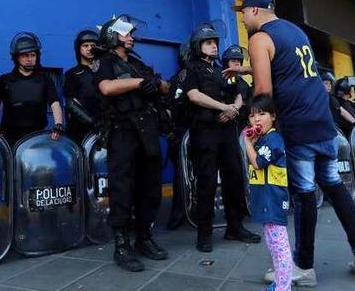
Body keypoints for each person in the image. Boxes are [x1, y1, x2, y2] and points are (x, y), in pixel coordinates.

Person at [226, 0, 355, 286]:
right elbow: (291, 69)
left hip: (297, 125)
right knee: (334, 186)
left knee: (305, 195)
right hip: (323, 123)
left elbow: (264, 92)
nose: (241, 19)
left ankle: (304, 267)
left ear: (254, 10)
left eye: (242, 12)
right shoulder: (295, 31)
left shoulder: (258, 38)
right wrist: (248, 67)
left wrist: (256, 128)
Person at [93, 14, 169, 272]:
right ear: (114, 37)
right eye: (126, 34)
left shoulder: (138, 63)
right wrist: (139, 83)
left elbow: (164, 88)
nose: (131, 37)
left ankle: (144, 238)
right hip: (123, 132)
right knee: (122, 188)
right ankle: (122, 244)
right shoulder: (105, 62)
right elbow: (106, 88)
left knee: (150, 187)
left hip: (146, 131)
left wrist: (156, 85)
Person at [181, 22, 259, 252]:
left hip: (227, 132)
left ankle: (234, 227)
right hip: (204, 133)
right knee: (206, 182)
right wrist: (222, 108)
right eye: (208, 42)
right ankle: (204, 233)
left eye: (215, 42)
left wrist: (233, 109)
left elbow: (237, 95)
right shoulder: (191, 69)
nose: (214, 46)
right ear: (198, 46)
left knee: (234, 178)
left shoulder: (223, 70)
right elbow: (193, 95)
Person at [242, 94, 294, 291]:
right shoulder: (264, 139)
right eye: (252, 115)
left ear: (273, 116)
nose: (256, 120)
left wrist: (246, 142)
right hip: (266, 200)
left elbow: (257, 162)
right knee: (273, 244)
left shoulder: (273, 140)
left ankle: (284, 287)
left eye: (262, 114)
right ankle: (279, 282)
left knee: (280, 248)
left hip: (273, 200)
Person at [0, 32, 63, 147]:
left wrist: (58, 124)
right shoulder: (4, 80)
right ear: (16, 57)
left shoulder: (45, 79)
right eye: (25, 55)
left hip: (37, 136)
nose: (29, 59)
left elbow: (55, 103)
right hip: (10, 137)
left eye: (33, 55)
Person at [165, 44, 192, 230]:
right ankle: (179, 211)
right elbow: (167, 109)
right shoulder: (175, 80)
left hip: (201, 129)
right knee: (180, 175)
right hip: (180, 132)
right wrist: (170, 131)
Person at [63, 29, 101, 144]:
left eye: (93, 45)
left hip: (106, 127)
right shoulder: (72, 74)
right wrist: (92, 122)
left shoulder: (105, 71)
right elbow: (71, 103)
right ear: (78, 49)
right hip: (80, 130)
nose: (89, 49)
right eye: (85, 45)